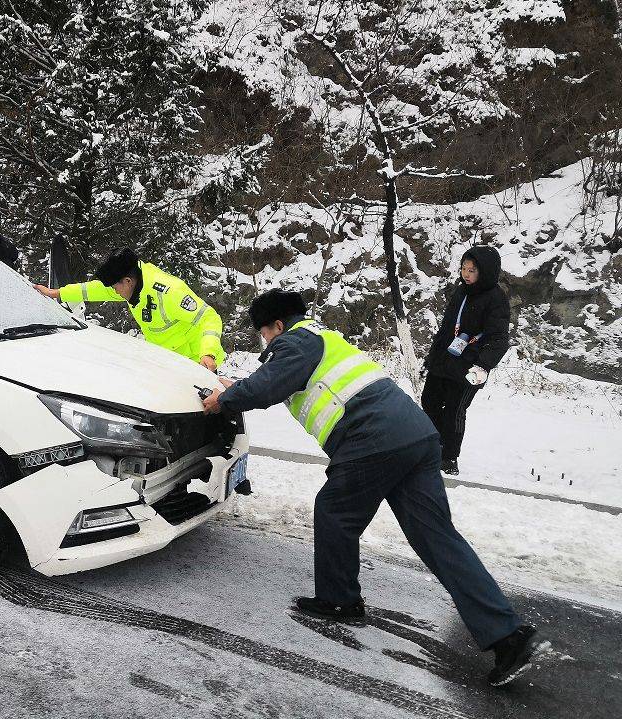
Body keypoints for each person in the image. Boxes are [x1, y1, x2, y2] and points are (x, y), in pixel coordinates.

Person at [201, 288, 546, 686]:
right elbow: (273, 379)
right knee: (438, 538)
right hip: (415, 435)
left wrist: (223, 401)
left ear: (277, 325)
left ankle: (339, 599)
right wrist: (234, 385)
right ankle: (508, 635)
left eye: (264, 334)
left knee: (334, 511)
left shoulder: (296, 340)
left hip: (373, 438)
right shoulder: (322, 339)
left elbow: (266, 387)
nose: (266, 342)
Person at [34, 247, 225, 371]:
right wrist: (58, 293)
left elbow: (210, 317)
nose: (114, 292)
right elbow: (94, 289)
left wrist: (208, 353)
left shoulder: (168, 292)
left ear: (127, 281)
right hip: (169, 362)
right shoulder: (131, 283)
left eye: (115, 288)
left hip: (199, 364)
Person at [421, 246, 511, 475]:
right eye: (464, 268)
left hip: (469, 366)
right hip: (445, 360)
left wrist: (482, 365)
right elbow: (445, 329)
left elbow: (499, 338)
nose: (466, 274)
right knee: (429, 402)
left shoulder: (496, 297)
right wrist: (431, 358)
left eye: (472, 270)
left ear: (486, 271)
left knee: (454, 411)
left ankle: (449, 458)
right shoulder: (461, 291)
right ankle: (432, 448)